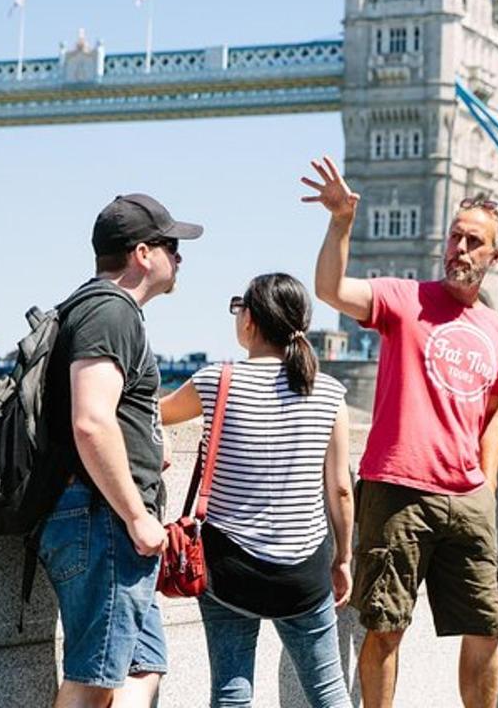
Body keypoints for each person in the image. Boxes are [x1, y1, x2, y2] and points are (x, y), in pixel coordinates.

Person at [300, 157, 498, 708]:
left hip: (467, 501)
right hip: (397, 491)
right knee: (386, 626)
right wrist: (341, 221)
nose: (460, 249)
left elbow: (493, 413)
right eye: (455, 237)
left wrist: (485, 487)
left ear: (496, 256)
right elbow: (329, 289)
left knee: (487, 627)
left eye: (473, 242)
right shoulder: (404, 298)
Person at [160, 273, 353, 707]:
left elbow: (154, 416)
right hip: (303, 573)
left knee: (231, 692)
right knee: (328, 692)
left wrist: (163, 439)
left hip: (229, 570)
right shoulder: (329, 392)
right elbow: (340, 489)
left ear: (249, 321)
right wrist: (343, 559)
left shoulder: (216, 381)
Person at [39, 193, 202, 708]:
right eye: (171, 245)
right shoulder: (110, 313)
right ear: (142, 254)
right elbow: (91, 421)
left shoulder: (103, 311)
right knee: (94, 679)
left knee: (143, 666)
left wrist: (150, 450)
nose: (180, 257)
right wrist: (136, 515)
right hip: (103, 520)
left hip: (108, 523)